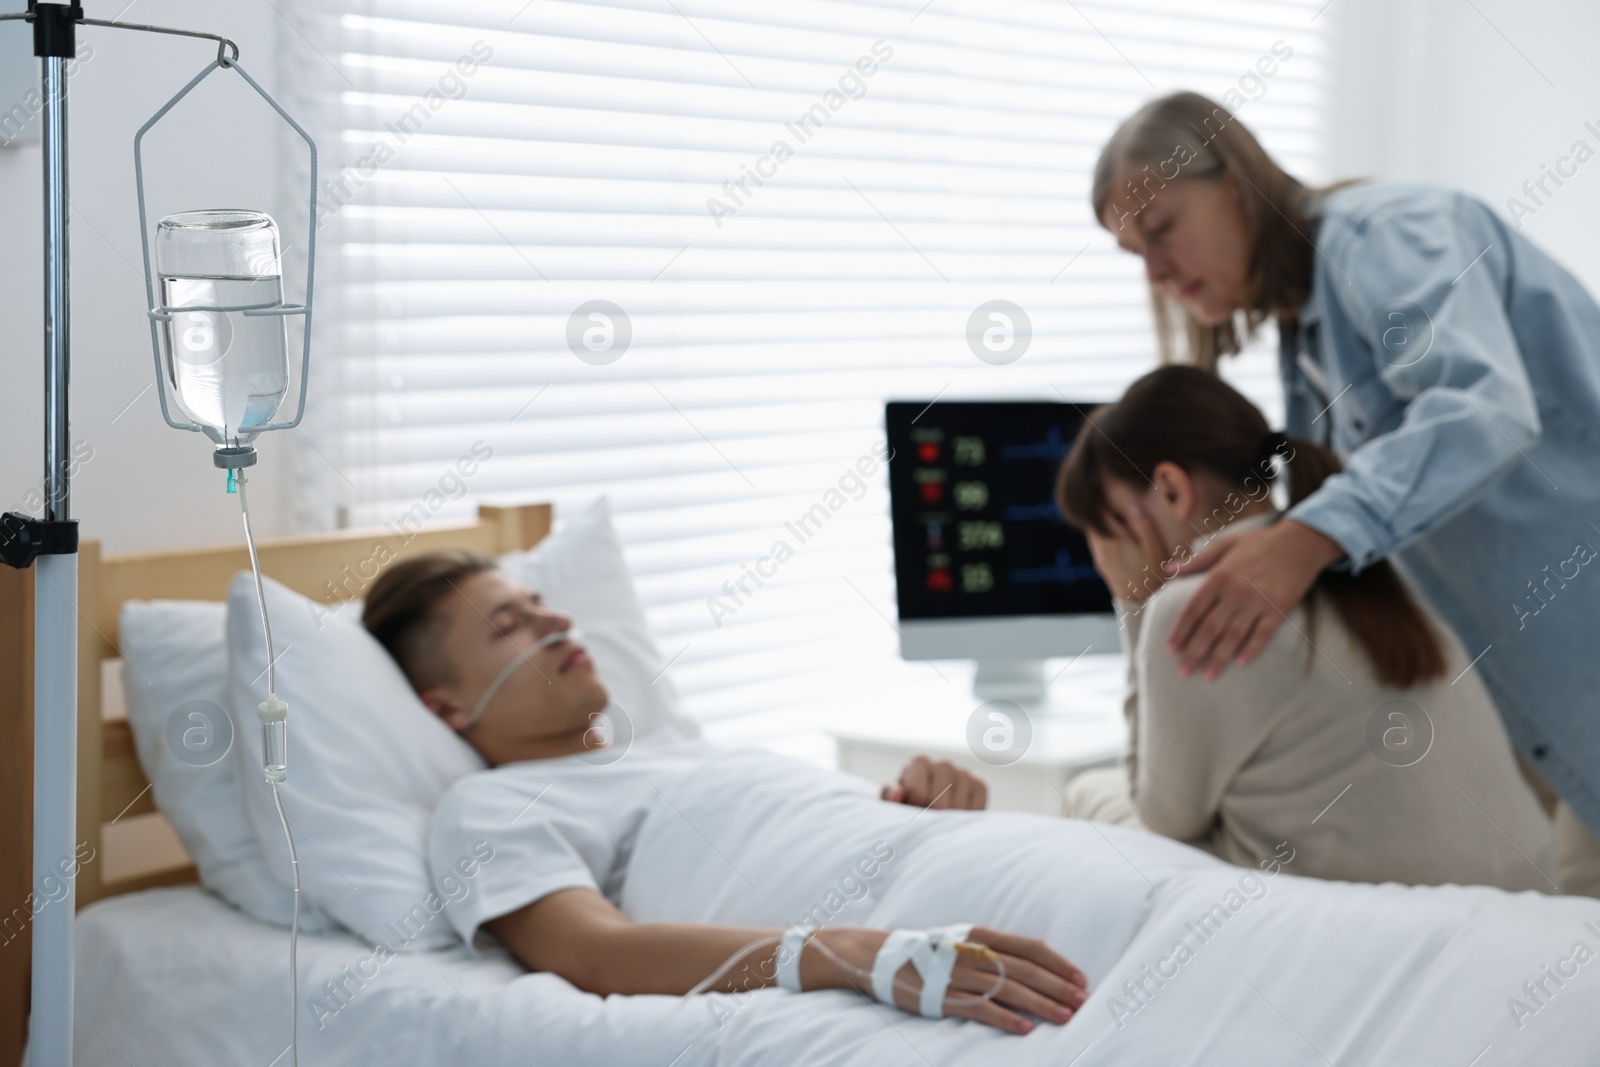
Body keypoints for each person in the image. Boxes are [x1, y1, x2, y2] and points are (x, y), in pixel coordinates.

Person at [1090, 90, 1600, 895]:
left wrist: (1303, 537)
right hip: (1544, 712)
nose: (1155, 271)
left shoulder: (1385, 236)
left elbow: (1483, 408)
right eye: (1133, 254)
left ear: (1236, 182)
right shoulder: (1306, 345)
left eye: (1161, 228)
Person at [359, 550, 1086, 1035]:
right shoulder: (489, 807)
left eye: (540, 604)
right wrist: (853, 951)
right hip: (945, 939)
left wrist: (915, 806)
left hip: (1009, 873)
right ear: (446, 707)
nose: (556, 623)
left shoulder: (678, 753)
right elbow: (595, 953)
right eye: (508, 627)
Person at [1053, 365, 1555, 890]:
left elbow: (1164, 817)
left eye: (1110, 527)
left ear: (1172, 490)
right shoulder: (1357, 554)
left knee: (1091, 796)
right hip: (1525, 895)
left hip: (1392, 927)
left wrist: (1134, 602)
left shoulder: (1194, 605)